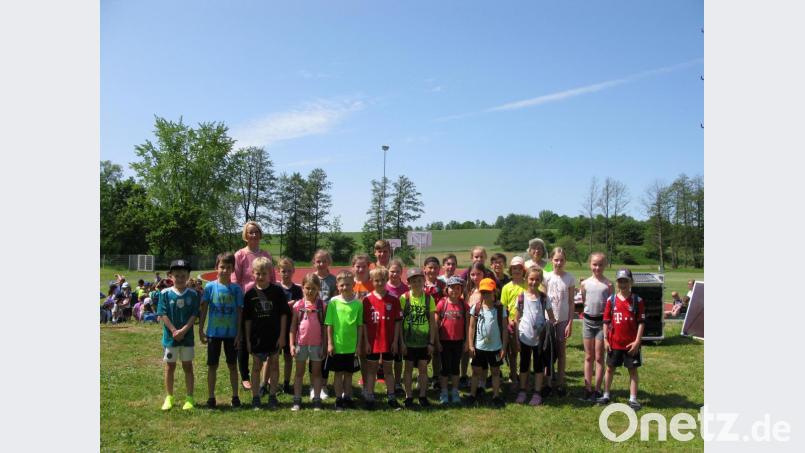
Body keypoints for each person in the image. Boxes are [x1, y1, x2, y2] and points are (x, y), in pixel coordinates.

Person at [232, 221, 274, 392]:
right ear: (245, 235)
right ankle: (245, 376)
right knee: (243, 339)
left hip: (264, 301)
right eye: (250, 232)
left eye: (256, 232)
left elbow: (272, 278)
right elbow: (235, 279)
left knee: (263, 337)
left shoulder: (266, 254)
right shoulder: (240, 255)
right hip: (246, 301)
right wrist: (240, 300)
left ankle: (266, 376)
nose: (254, 235)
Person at [199, 252, 244, 409]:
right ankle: (211, 397)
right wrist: (200, 330)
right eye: (221, 267)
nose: (224, 270)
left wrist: (239, 333)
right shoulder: (210, 287)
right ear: (216, 268)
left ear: (232, 270)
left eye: (228, 267)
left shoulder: (236, 289)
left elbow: (240, 313)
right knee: (212, 366)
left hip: (231, 335)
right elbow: (204, 309)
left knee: (232, 365)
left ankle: (235, 396)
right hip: (213, 334)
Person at [243, 257, 289, 410]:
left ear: (270, 274)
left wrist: (282, 336)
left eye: (264, 273)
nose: (261, 277)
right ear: (252, 274)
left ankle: (272, 396)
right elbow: (247, 319)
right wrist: (248, 340)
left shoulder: (277, 292)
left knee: (274, 365)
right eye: (258, 273)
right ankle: (256, 397)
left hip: (274, 337)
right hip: (257, 338)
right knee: (256, 367)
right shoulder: (249, 295)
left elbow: (283, 315)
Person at [597, 268, 645, 410]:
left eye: (626, 281)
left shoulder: (637, 300)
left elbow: (641, 322)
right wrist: (606, 339)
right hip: (614, 343)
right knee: (610, 368)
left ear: (631, 282)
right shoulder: (611, 300)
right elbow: (606, 321)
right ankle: (606, 394)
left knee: (633, 370)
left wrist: (637, 341)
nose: (623, 284)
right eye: (620, 281)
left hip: (631, 344)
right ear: (616, 282)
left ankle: (633, 398)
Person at [157, 259, 200, 411]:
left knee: (188, 366)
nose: (180, 278)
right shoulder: (165, 293)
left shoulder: (194, 294)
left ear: (188, 276)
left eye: (183, 275)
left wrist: (183, 331)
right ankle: (169, 397)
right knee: (170, 367)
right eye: (177, 275)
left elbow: (194, 315)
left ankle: (189, 398)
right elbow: (162, 313)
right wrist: (174, 331)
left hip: (187, 338)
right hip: (171, 338)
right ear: (171, 276)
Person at [361, 266, 402, 410]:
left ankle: (391, 397)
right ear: (371, 281)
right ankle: (370, 397)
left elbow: (397, 322)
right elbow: (364, 323)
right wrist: (366, 341)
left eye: (382, 280)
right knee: (371, 370)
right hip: (372, 342)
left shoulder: (393, 299)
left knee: (388, 370)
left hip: (389, 341)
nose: (379, 283)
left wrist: (396, 341)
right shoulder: (367, 300)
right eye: (376, 280)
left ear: (387, 280)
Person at [514, 267, 555, 406]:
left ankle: (537, 392)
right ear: (526, 279)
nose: (534, 282)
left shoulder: (544, 298)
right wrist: (517, 339)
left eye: (537, 279)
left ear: (541, 280)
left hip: (540, 340)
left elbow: (551, 318)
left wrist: (548, 330)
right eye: (531, 279)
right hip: (524, 337)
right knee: (524, 365)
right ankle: (523, 390)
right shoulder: (521, 297)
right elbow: (516, 319)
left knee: (538, 366)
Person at [325, 270, 365, 412]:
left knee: (348, 374)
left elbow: (360, 326)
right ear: (337, 285)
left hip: (351, 347)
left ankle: (347, 397)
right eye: (342, 285)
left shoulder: (358, 304)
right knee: (338, 373)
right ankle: (338, 398)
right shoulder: (333, 302)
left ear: (353, 284)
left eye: (348, 284)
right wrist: (330, 343)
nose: (345, 287)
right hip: (337, 346)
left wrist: (358, 345)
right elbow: (329, 324)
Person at [467, 278, 508, 408]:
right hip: (479, 347)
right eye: (483, 292)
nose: (486, 295)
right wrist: (470, 345)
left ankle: (496, 396)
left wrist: (504, 348)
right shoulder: (476, 308)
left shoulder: (500, 309)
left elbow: (505, 329)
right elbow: (471, 327)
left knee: (495, 372)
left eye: (488, 292)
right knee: (476, 372)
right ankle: (472, 395)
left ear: (494, 292)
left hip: (495, 347)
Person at [289, 273, 328, 411]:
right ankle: (297, 399)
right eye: (307, 288)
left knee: (316, 373)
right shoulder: (298, 305)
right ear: (302, 288)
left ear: (318, 289)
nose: (310, 291)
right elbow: (293, 327)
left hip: (317, 345)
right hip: (301, 344)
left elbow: (324, 327)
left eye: (313, 288)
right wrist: (291, 344)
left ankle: (317, 399)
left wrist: (325, 345)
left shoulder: (322, 305)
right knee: (299, 373)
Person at [399, 267, 437, 409]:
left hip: (423, 342)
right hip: (408, 341)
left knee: (423, 369)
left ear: (424, 281)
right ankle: (408, 396)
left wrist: (431, 342)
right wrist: (401, 342)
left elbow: (432, 323)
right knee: (408, 369)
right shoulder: (404, 298)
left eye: (419, 280)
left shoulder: (428, 298)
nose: (417, 283)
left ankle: (422, 395)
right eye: (413, 281)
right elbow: (400, 322)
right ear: (409, 283)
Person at [579, 252, 612, 402]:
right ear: (590, 265)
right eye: (594, 264)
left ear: (605, 265)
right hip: (587, 322)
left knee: (599, 357)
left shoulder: (608, 285)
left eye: (600, 264)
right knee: (588, 356)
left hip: (601, 324)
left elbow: (610, 306)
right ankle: (587, 388)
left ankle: (598, 389)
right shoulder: (585, 283)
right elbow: (584, 300)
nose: (597, 267)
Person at [543, 247, 575, 397]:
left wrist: (570, 322)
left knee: (561, 353)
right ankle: (547, 383)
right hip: (548, 320)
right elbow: (542, 299)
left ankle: (560, 383)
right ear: (551, 260)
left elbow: (571, 302)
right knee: (547, 352)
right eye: (556, 260)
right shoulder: (546, 276)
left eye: (561, 260)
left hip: (563, 321)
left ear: (565, 261)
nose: (559, 262)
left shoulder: (569, 278)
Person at [435, 276, 469, 405]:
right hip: (444, 341)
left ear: (461, 290)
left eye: (458, 288)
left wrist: (467, 342)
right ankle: (444, 391)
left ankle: (454, 391)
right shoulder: (442, 303)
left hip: (458, 341)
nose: (454, 290)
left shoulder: (463, 305)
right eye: (452, 288)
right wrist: (437, 341)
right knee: (444, 368)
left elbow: (467, 324)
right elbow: (436, 324)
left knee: (455, 368)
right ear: (446, 289)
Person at [311, 249, 336, 401]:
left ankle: (324, 384)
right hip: (312, 321)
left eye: (324, 261)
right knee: (313, 353)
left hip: (328, 322)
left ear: (329, 262)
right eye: (318, 261)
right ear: (314, 262)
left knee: (325, 353)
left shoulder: (333, 280)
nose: (321, 264)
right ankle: (314, 386)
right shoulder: (310, 278)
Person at [276, 258, 303, 396]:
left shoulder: (298, 290)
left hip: (291, 329)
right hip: (276, 328)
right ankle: (269, 383)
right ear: (278, 271)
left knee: (288, 357)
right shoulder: (275, 288)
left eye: (288, 271)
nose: (286, 273)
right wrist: (286, 305)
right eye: (283, 271)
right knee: (272, 357)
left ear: (293, 271)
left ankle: (286, 383)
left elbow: (301, 308)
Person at [500, 256, 527, 389]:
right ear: (511, 270)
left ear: (524, 270)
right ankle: (513, 375)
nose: (517, 271)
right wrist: (508, 321)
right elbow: (503, 307)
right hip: (512, 323)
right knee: (513, 352)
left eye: (519, 268)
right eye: (514, 268)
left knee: (526, 352)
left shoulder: (528, 284)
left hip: (526, 323)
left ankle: (524, 375)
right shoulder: (506, 287)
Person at [384, 257, 408, 396]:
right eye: (392, 271)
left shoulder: (405, 289)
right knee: (387, 358)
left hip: (401, 327)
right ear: (388, 271)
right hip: (386, 328)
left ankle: (398, 382)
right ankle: (388, 382)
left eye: (397, 271)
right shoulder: (383, 287)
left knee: (399, 357)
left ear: (401, 272)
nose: (394, 274)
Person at [423, 256, 446, 385]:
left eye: (435, 268)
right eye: (430, 267)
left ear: (439, 270)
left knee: (437, 350)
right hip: (422, 323)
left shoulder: (442, 285)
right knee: (424, 353)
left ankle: (436, 376)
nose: (432, 270)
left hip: (438, 324)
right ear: (424, 269)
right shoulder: (420, 284)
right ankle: (423, 376)